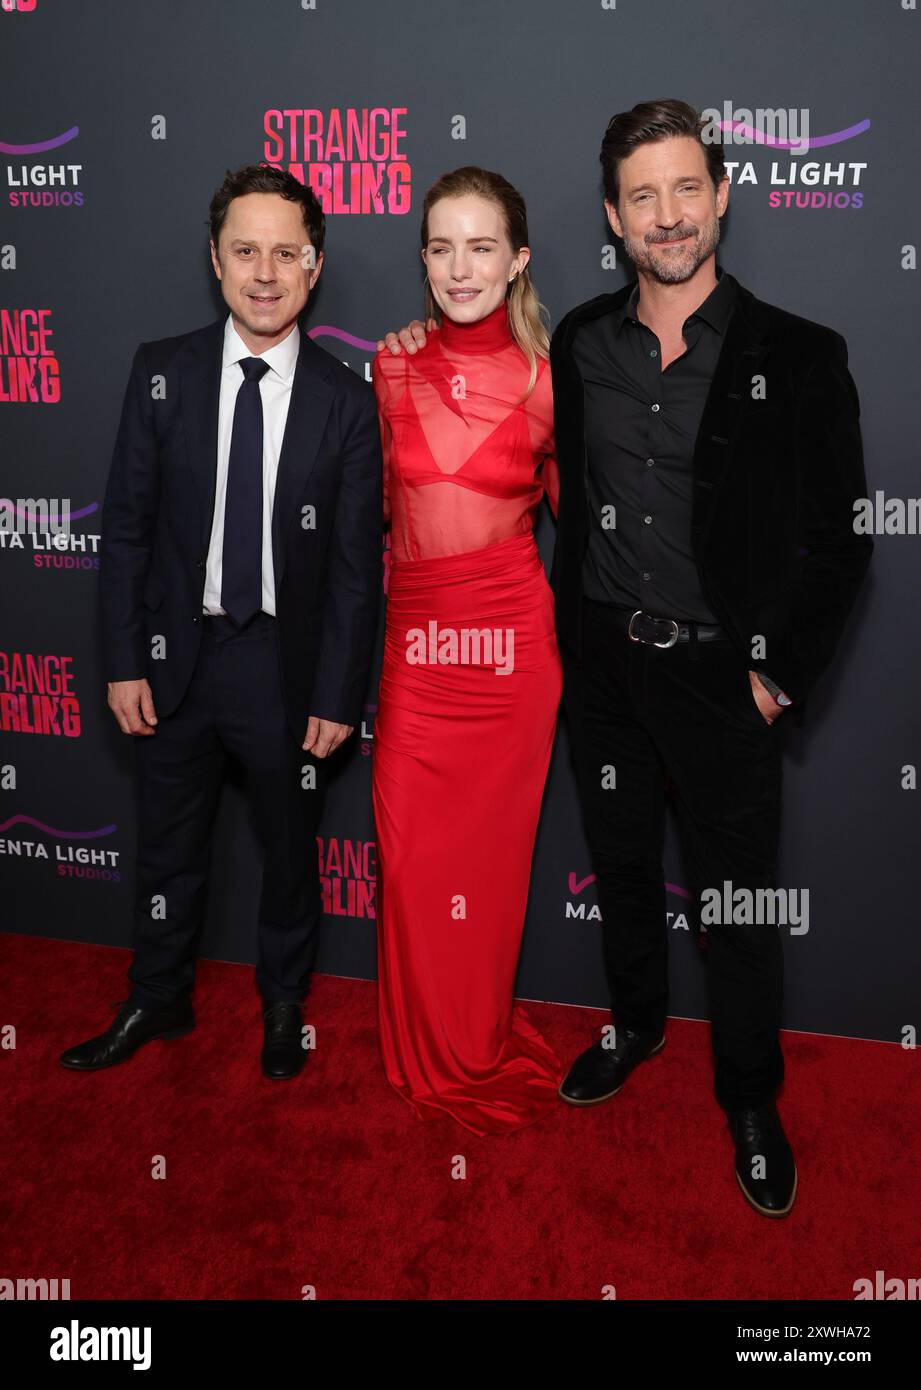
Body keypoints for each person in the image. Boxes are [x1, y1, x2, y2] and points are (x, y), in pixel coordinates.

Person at [550, 100, 872, 1216]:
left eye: (687, 188)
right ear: (613, 215)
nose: (668, 214)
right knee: (625, 870)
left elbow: (840, 540)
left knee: (735, 906)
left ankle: (750, 1096)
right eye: (643, 195)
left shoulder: (801, 352)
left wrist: (772, 677)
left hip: (720, 677)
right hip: (601, 670)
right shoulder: (578, 340)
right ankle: (636, 1026)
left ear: (724, 194)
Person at [60, 163, 382, 1080]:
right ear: (215, 258)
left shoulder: (346, 400)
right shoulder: (161, 372)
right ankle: (157, 998)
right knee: (167, 848)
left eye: (287, 252)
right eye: (246, 250)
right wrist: (124, 661)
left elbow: (359, 570)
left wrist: (336, 690)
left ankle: (284, 1005)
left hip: (284, 666)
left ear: (314, 267)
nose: (266, 272)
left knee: (290, 854)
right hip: (177, 659)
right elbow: (124, 528)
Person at [372, 166, 563, 1136]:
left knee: (487, 874)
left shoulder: (547, 381)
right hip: (418, 658)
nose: (460, 266)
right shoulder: (389, 365)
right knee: (410, 867)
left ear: (516, 259)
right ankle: (428, 1047)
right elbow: (382, 517)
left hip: (510, 660)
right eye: (441, 245)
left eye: (481, 245)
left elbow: (604, 533)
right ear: (423, 259)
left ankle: (476, 1039)